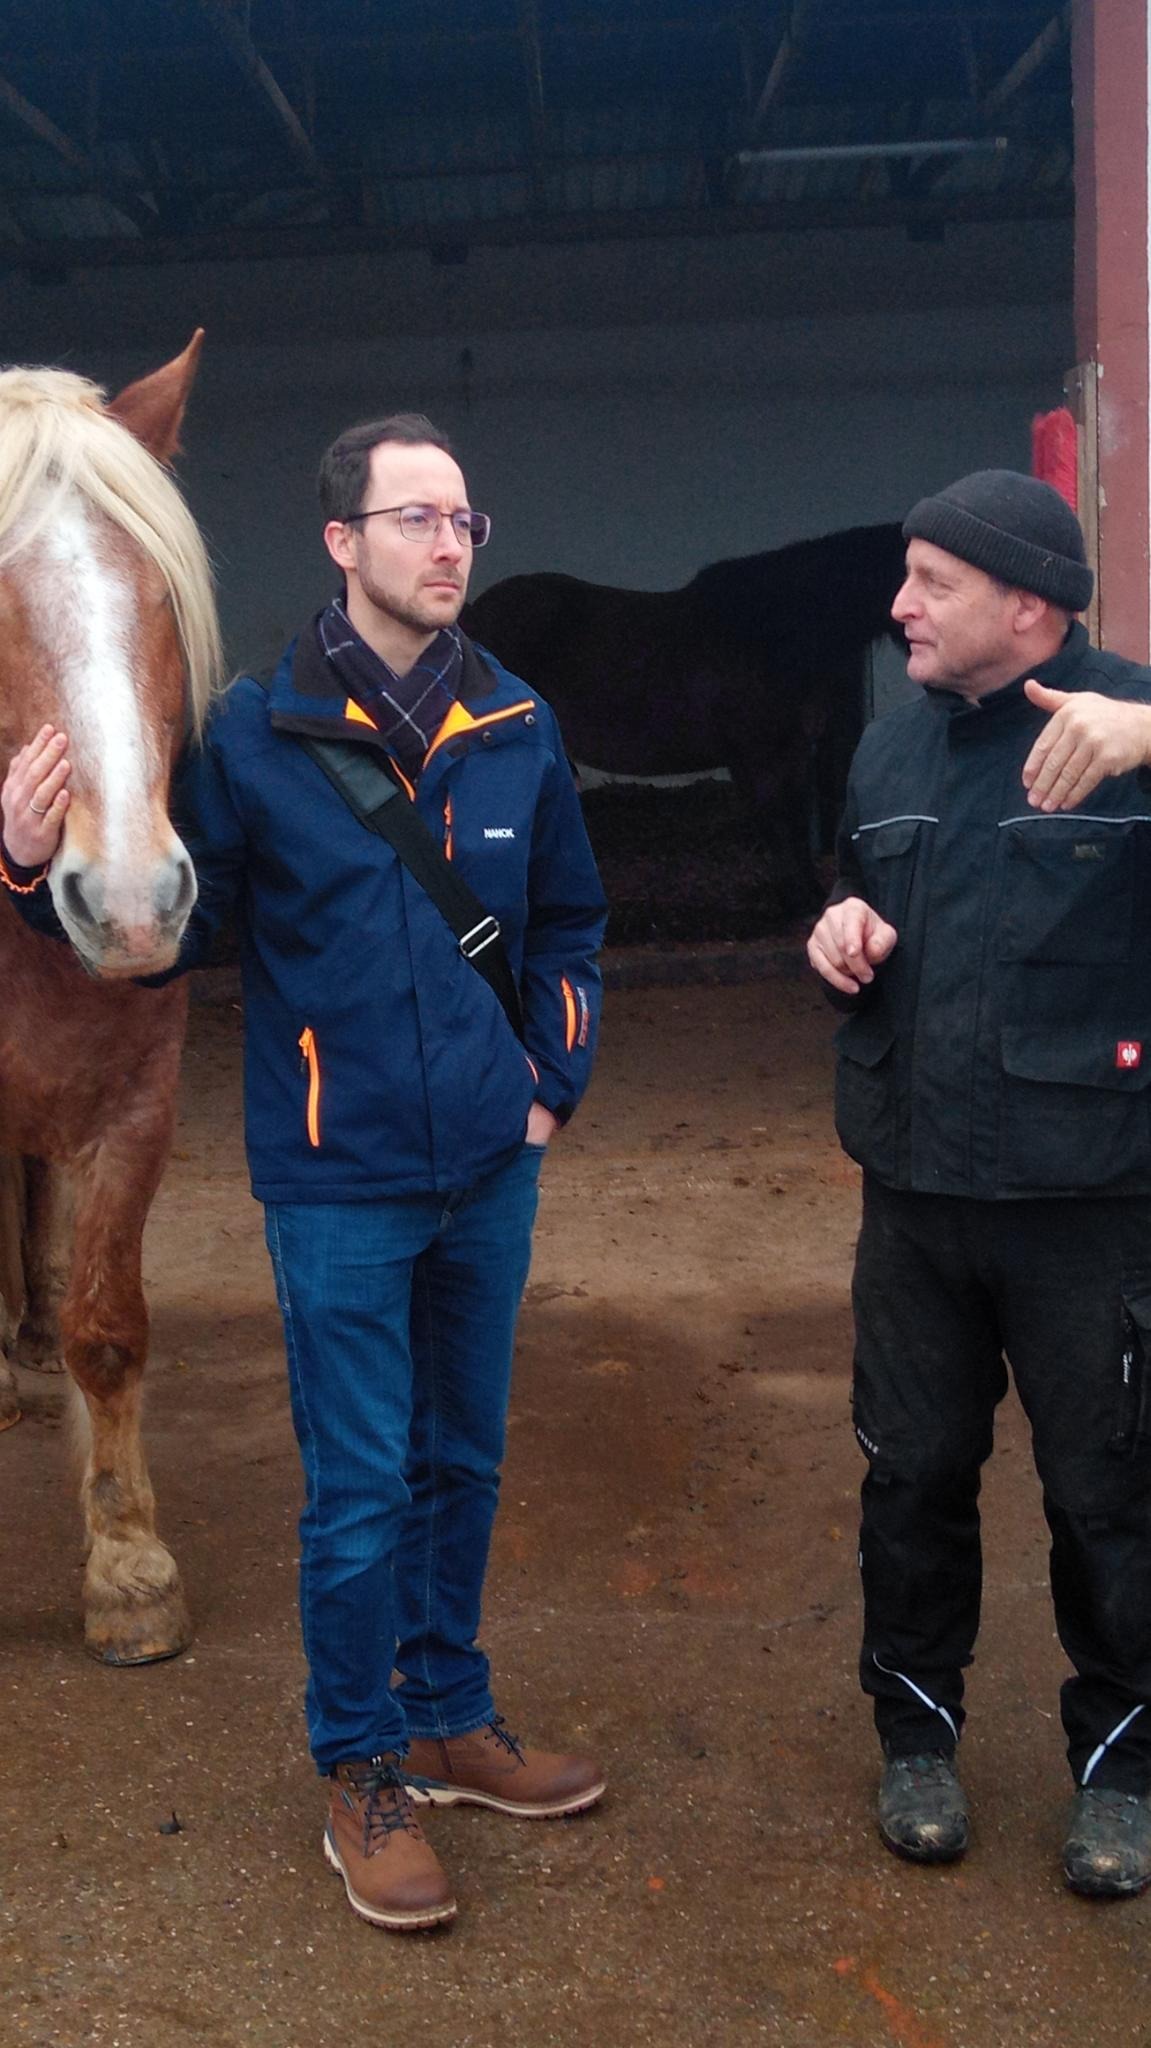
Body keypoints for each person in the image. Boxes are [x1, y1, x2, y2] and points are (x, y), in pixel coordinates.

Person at [1, 413, 608, 1933]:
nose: (451, 542)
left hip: (490, 1172)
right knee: (355, 1497)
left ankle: (452, 1717)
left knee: (461, 1463)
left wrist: (549, 1092)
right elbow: (154, 939)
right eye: (416, 519)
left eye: (464, 517)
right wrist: (23, 872)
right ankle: (363, 1775)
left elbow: (578, 930)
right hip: (336, 1185)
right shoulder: (257, 740)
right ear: (342, 546)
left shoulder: (521, 723)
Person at [806, 469, 1151, 1899]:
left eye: (929, 584)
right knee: (915, 1475)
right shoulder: (890, 751)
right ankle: (918, 1736)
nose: (898, 610)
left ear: (1029, 603)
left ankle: (1126, 1764)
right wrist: (835, 936)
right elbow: (854, 896)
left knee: (1114, 1495)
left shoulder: (1128, 718)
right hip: (917, 1199)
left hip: (1095, 1207)